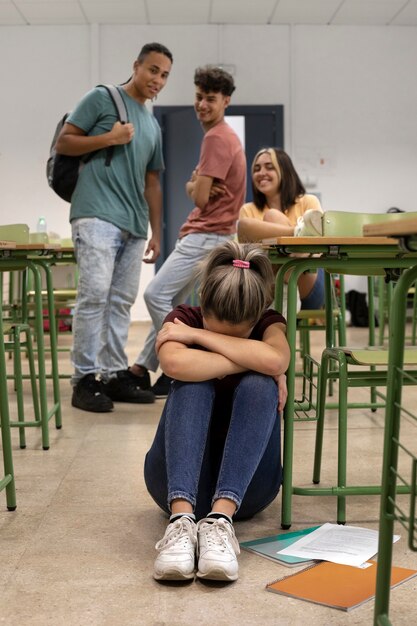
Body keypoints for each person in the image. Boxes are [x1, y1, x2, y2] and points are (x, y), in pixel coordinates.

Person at [144, 240, 290, 582]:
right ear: (203, 302)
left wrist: (198, 337)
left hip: (247, 492)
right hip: (172, 485)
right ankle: (181, 523)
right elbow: (174, 361)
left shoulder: (267, 323)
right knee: (191, 382)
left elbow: (277, 359)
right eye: (210, 328)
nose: (214, 335)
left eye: (236, 337)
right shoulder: (182, 316)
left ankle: (220, 521)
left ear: (257, 315)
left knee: (259, 384)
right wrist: (251, 358)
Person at [55, 42, 173, 413]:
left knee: (121, 302)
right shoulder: (102, 98)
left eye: (165, 75)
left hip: (134, 223)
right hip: (95, 214)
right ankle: (85, 378)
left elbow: (152, 182)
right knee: (94, 297)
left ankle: (112, 373)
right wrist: (110, 137)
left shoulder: (152, 124)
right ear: (136, 66)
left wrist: (157, 231)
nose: (158, 79)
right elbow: (65, 142)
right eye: (153, 70)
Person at [128, 65, 247, 399]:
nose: (202, 105)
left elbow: (200, 195)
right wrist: (194, 182)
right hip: (213, 234)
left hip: (206, 235)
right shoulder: (222, 137)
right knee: (173, 303)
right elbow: (198, 189)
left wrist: (194, 183)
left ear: (226, 101)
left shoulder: (216, 137)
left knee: (155, 297)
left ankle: (178, 361)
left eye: (210, 98)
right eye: (198, 97)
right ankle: (141, 369)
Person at [238, 147, 324, 310]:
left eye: (269, 167)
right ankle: (299, 234)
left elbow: (318, 249)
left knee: (272, 216)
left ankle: (285, 280)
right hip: (268, 283)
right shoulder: (248, 210)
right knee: (250, 225)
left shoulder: (308, 201)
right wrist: (296, 242)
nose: (261, 172)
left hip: (307, 284)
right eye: (256, 169)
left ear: (284, 171)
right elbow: (246, 254)